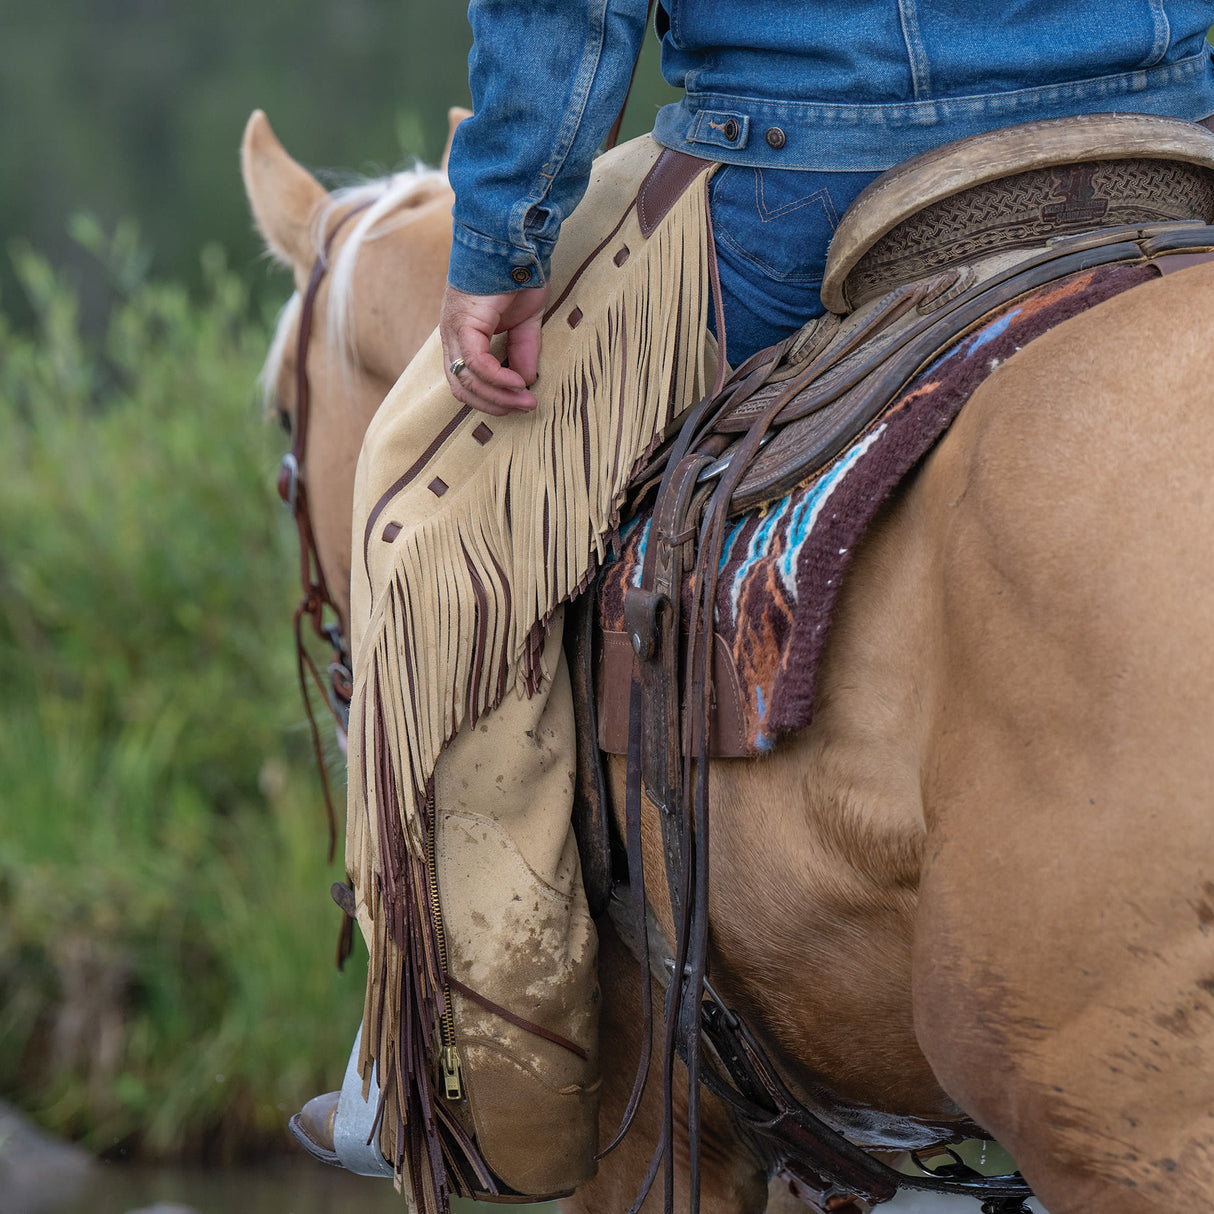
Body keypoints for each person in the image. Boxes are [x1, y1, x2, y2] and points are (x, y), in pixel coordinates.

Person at [292, 3, 1214, 1207]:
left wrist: (499, 246)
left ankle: (487, 1058)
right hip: (1171, 126)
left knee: (431, 508)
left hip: (808, 154)